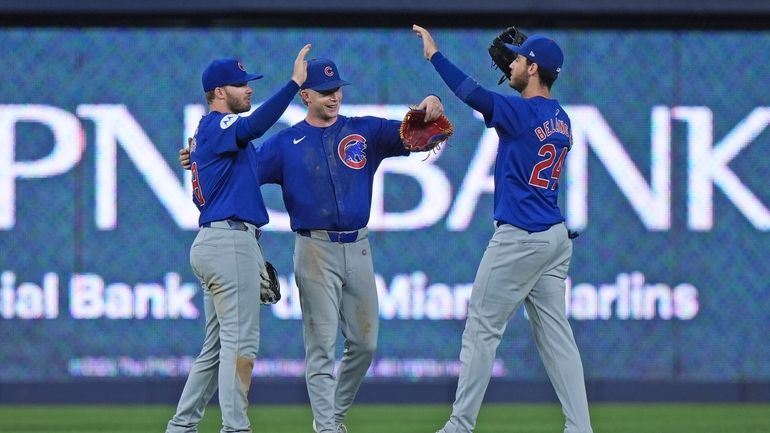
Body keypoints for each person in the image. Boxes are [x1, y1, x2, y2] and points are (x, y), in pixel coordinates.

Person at [179, 57, 444, 433]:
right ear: (305, 95)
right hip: (314, 248)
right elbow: (240, 164)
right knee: (318, 347)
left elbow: (420, 132)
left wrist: (433, 101)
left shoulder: (364, 130)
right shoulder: (285, 144)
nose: (333, 96)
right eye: (323, 91)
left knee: (365, 345)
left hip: (359, 246)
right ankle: (324, 426)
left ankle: (331, 414)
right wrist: (201, 156)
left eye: (337, 89)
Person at [411, 25, 593, 433]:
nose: (510, 62)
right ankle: (580, 427)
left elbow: (473, 94)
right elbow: (524, 106)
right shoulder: (560, 117)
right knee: (556, 336)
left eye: (519, 58)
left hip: (521, 237)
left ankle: (459, 425)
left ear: (534, 67)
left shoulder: (520, 113)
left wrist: (435, 56)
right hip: (554, 239)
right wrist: (520, 72)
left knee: (481, 327)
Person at [166, 44, 310, 433]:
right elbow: (254, 125)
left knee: (215, 347)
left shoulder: (207, 134)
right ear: (218, 92)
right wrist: (294, 85)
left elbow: (227, 149)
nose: (248, 90)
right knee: (240, 343)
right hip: (229, 241)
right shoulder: (218, 126)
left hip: (217, 241)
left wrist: (193, 155)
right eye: (239, 85)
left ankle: (181, 427)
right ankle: (235, 428)